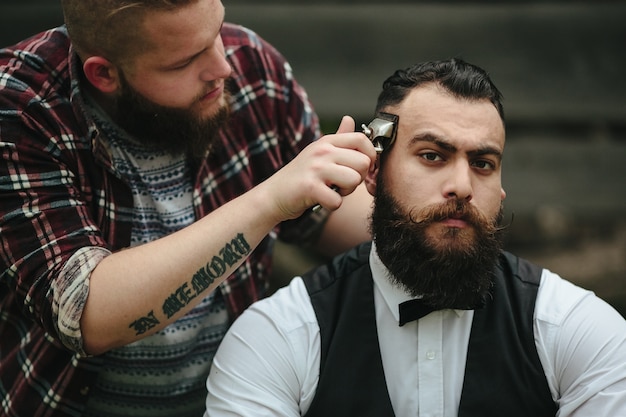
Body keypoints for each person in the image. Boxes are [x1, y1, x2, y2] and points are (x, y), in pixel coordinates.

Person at [0, 0, 377, 416]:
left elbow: (321, 216)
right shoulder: (20, 108)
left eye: (216, 31)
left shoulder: (251, 63)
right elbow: (83, 312)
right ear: (104, 74)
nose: (223, 67)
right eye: (184, 62)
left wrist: (429, 221)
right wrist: (270, 200)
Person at [204, 58, 626, 416]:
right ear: (373, 172)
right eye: (432, 155)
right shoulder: (278, 336)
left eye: (482, 163)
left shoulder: (577, 330)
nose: (461, 185)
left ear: (500, 190)